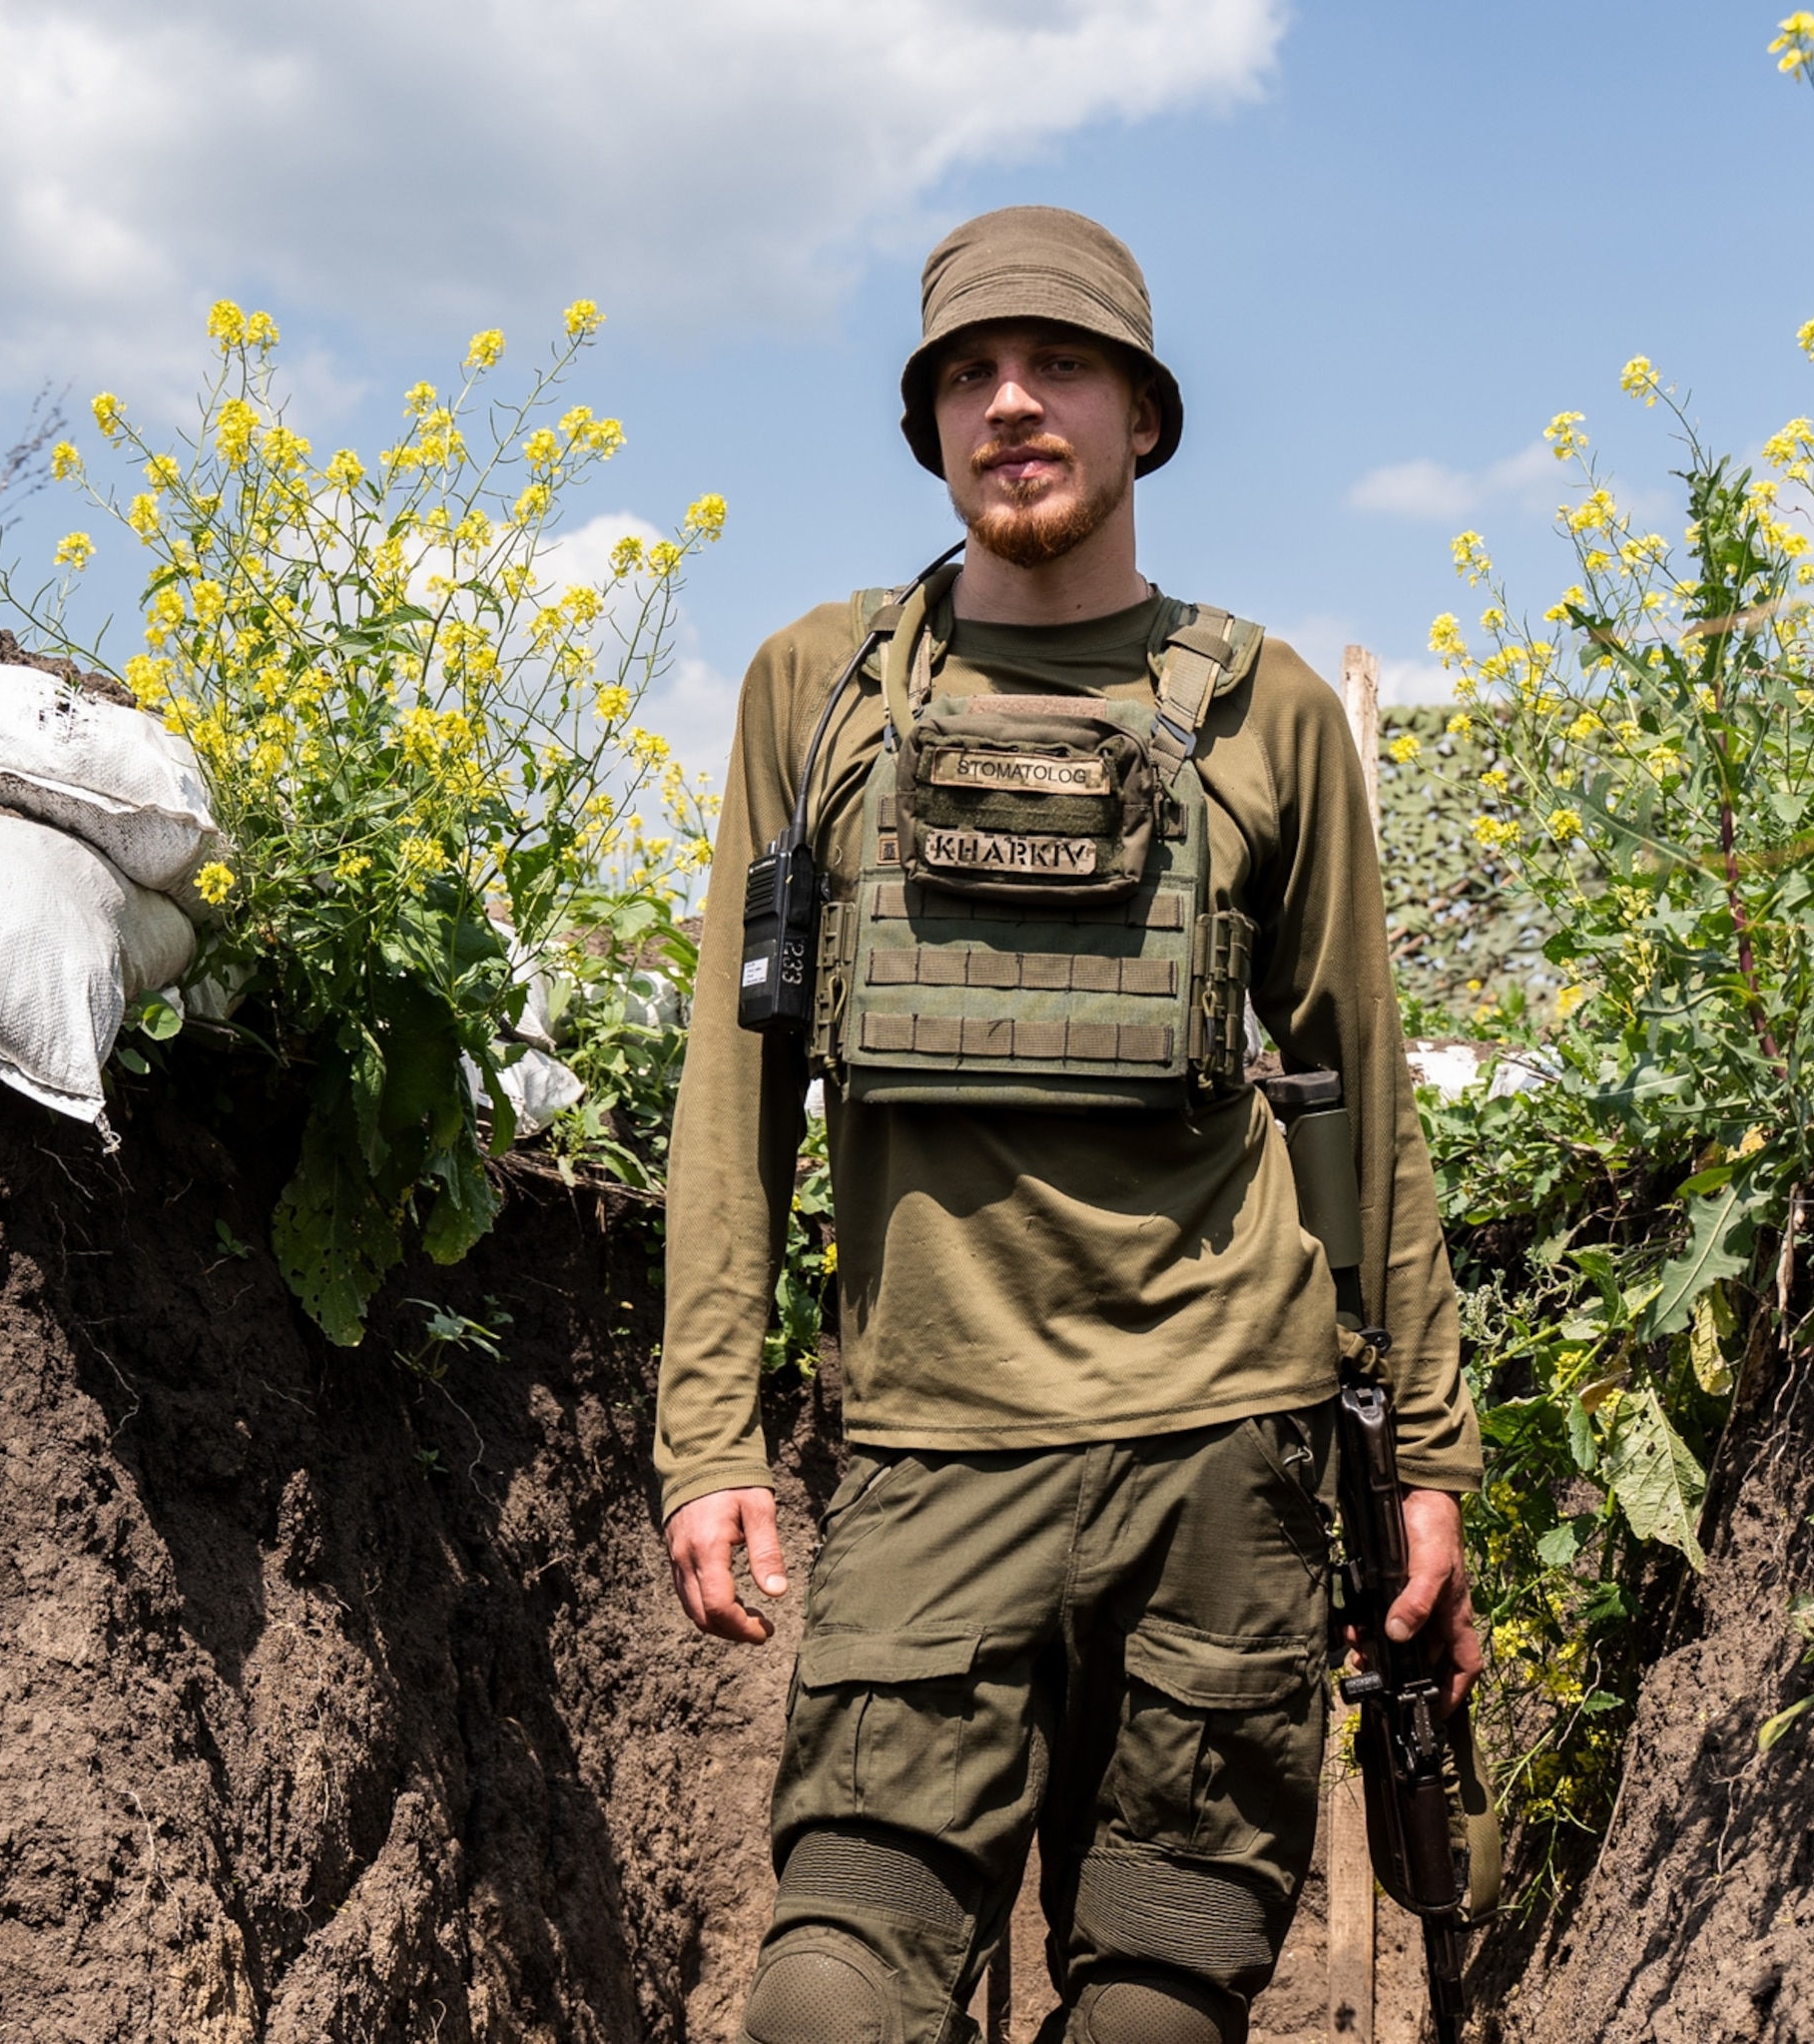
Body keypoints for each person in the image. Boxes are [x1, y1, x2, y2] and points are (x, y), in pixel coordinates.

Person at [656, 204, 1483, 2044]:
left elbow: (1367, 1098)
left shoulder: (1269, 713)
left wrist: (1427, 1456)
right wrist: (708, 1426)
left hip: (1225, 1454)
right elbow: (736, 1086)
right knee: (829, 2003)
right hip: (935, 1447)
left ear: (1144, 418)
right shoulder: (817, 692)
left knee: (1157, 2007)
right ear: (930, 425)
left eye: (1060, 366)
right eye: (968, 373)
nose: (1010, 404)